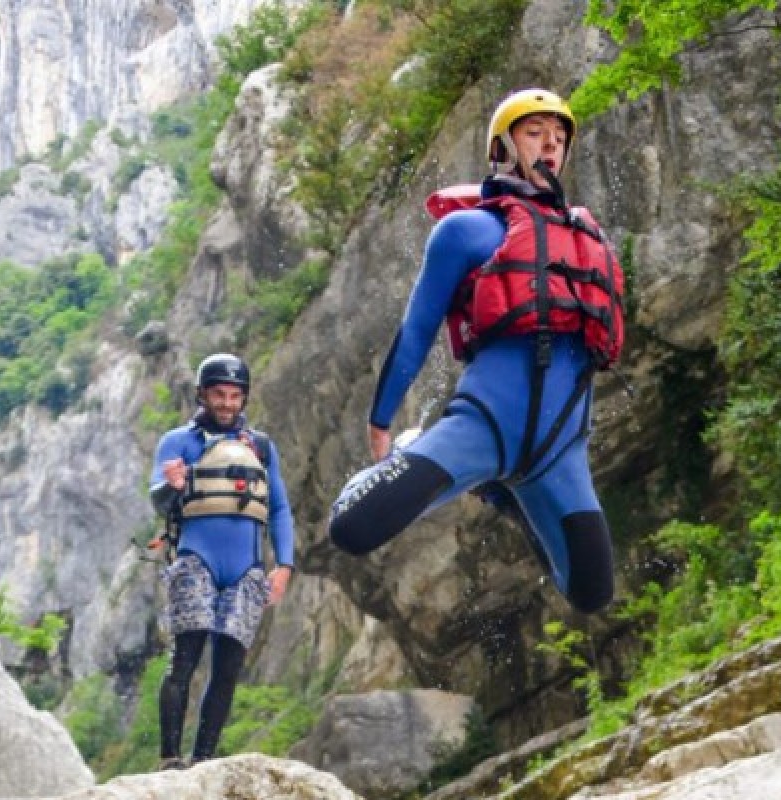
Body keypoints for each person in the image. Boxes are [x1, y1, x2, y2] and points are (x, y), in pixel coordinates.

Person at [329, 88, 625, 614]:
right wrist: (380, 419)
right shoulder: (466, 231)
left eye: (558, 138)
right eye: (535, 133)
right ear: (503, 147)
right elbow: (416, 329)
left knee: (592, 593)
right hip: (485, 424)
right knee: (352, 528)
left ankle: (505, 492)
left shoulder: (590, 238)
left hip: (561, 448)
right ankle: (415, 455)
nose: (550, 145)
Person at [148, 353, 295, 769]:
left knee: (228, 667)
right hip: (196, 559)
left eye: (235, 396)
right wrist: (172, 486)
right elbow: (158, 499)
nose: (228, 403)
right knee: (185, 658)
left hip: (246, 569)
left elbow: (280, 508)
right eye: (219, 394)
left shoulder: (262, 447)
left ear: (244, 398)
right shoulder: (177, 442)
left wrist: (284, 565)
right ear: (202, 395)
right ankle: (170, 758)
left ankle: (205, 759)